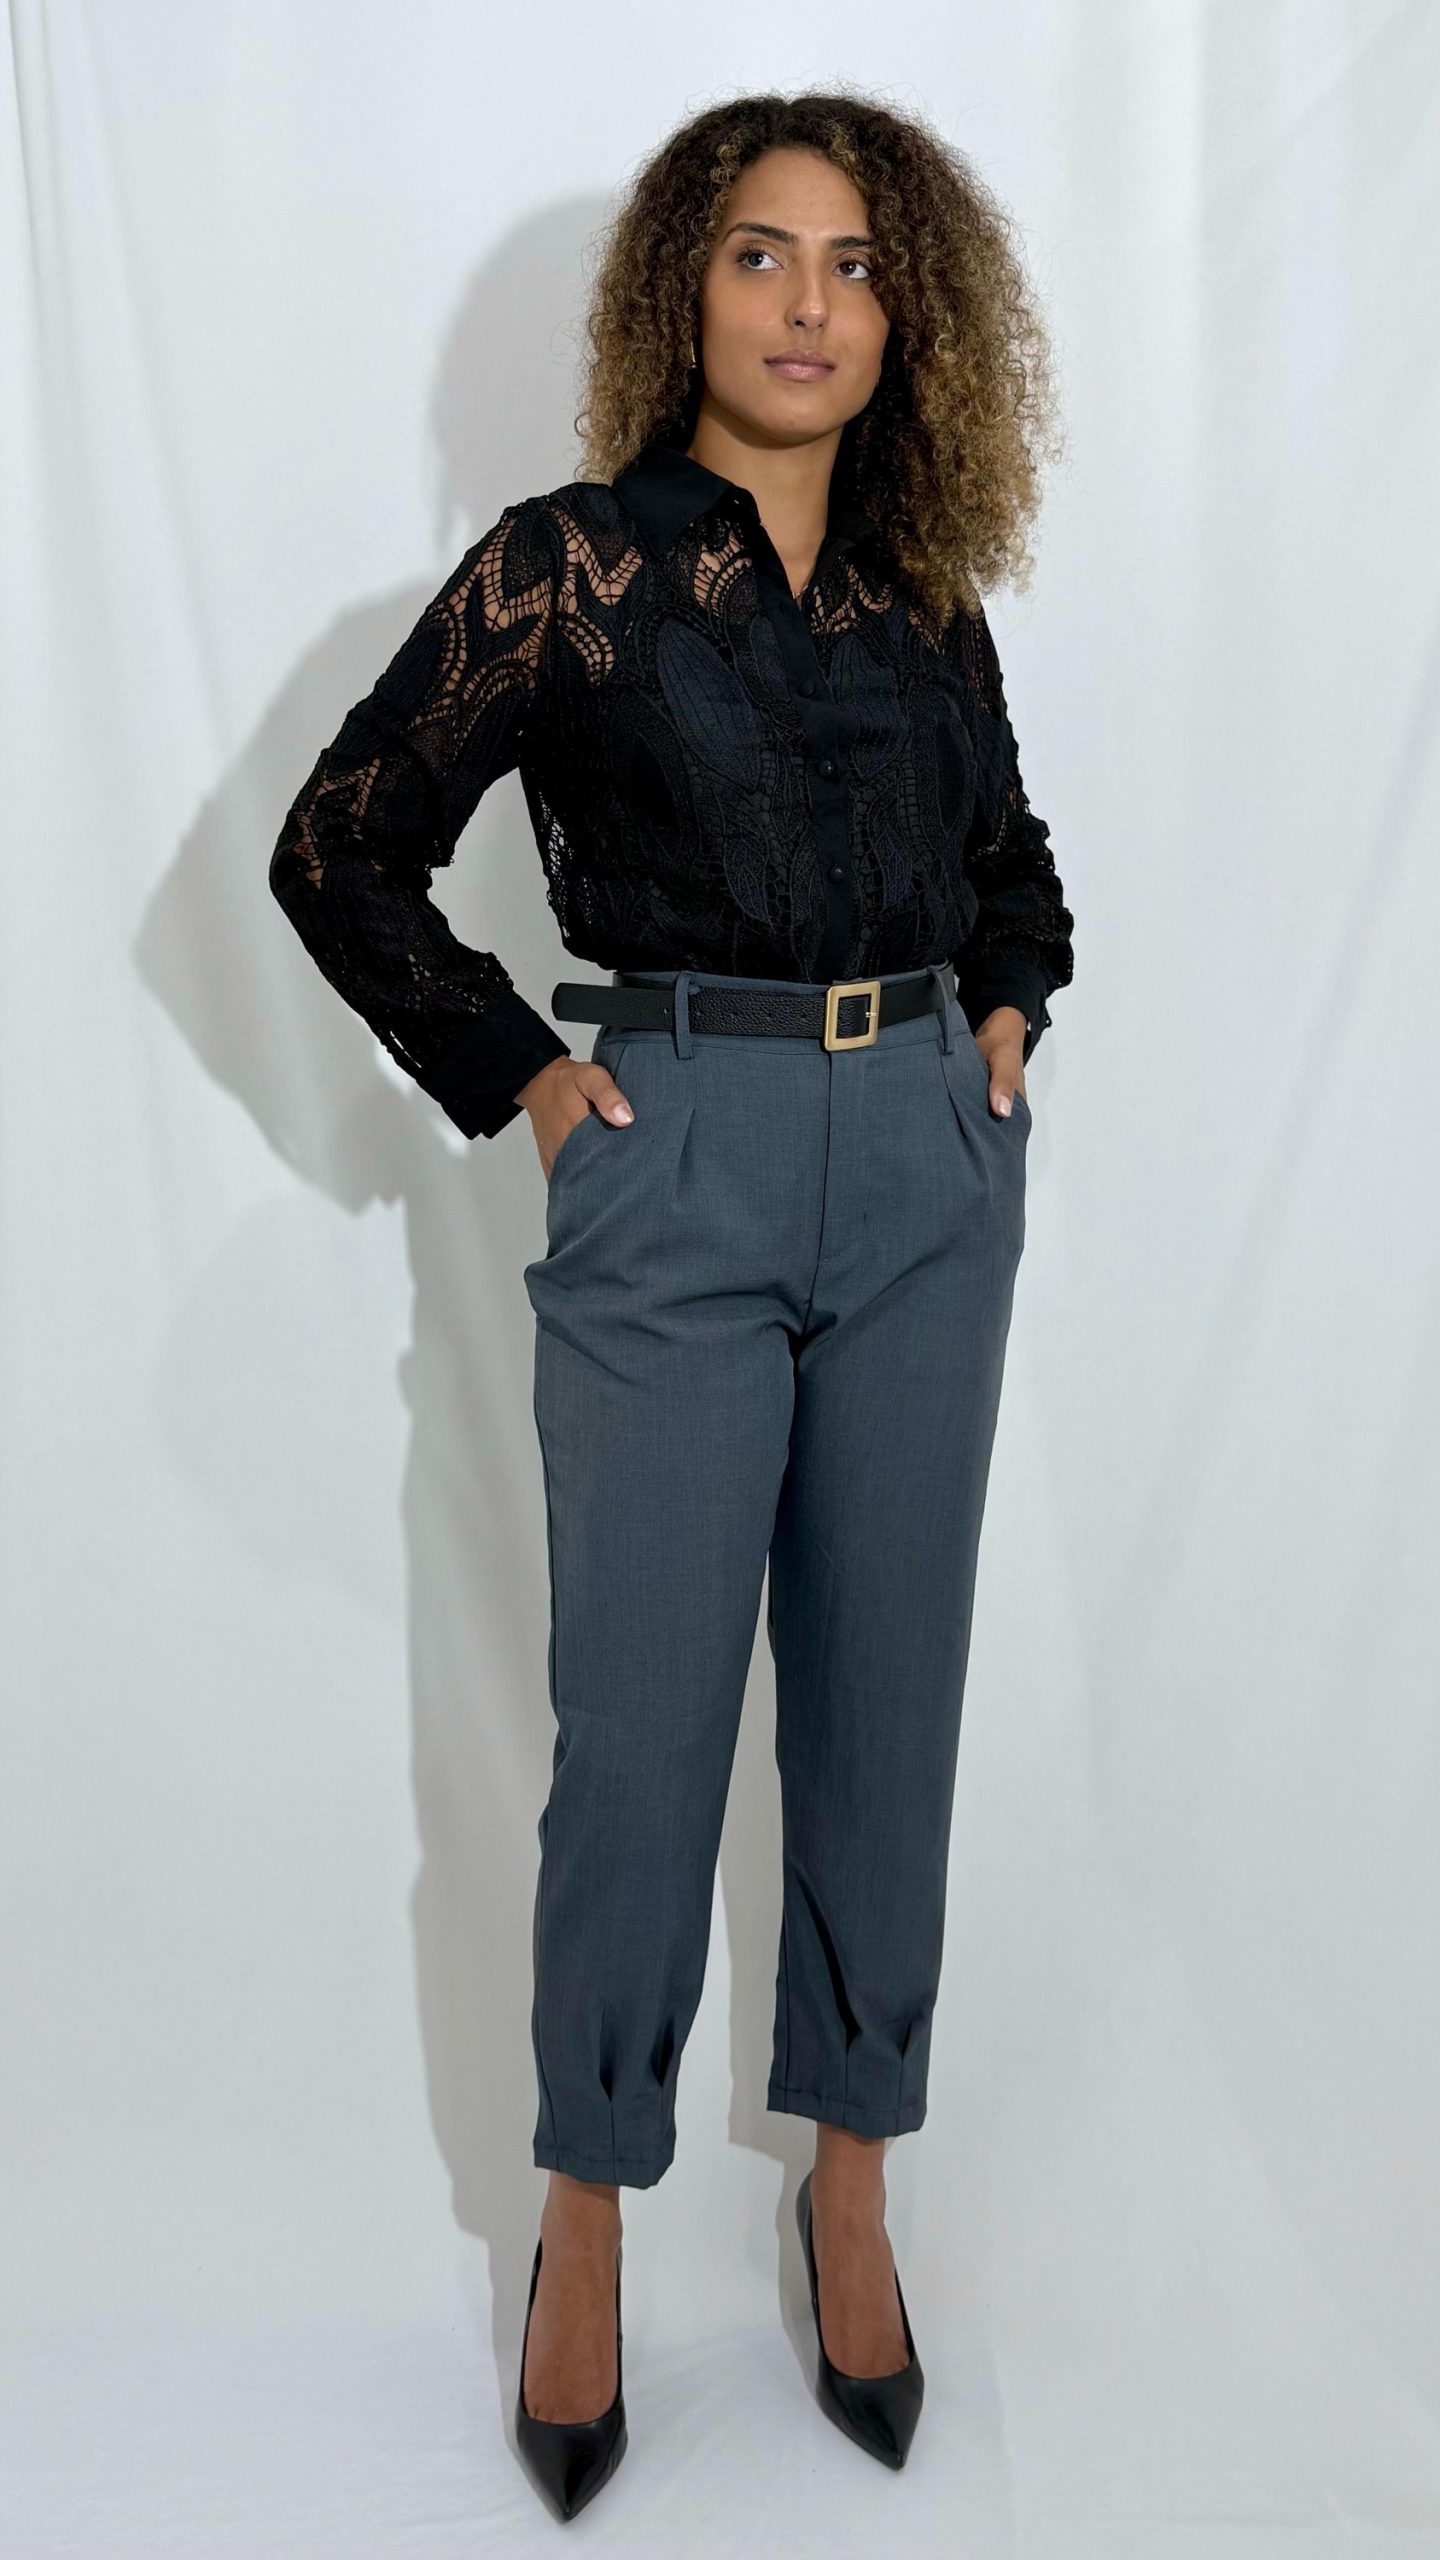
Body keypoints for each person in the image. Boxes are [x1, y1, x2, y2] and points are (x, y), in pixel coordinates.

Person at [269, 88, 1074, 2521]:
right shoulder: (572, 572)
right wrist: (521, 1069)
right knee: (636, 1733)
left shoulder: (926, 595)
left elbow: (1012, 859)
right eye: (761, 253)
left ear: (908, 314)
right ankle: (587, 2209)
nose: (810, 303)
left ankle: (855, 2185)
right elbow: (344, 844)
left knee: (887, 1707)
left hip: (925, 1172)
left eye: (855, 262)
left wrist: (1007, 1011)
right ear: (681, 291)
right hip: (676, 1153)